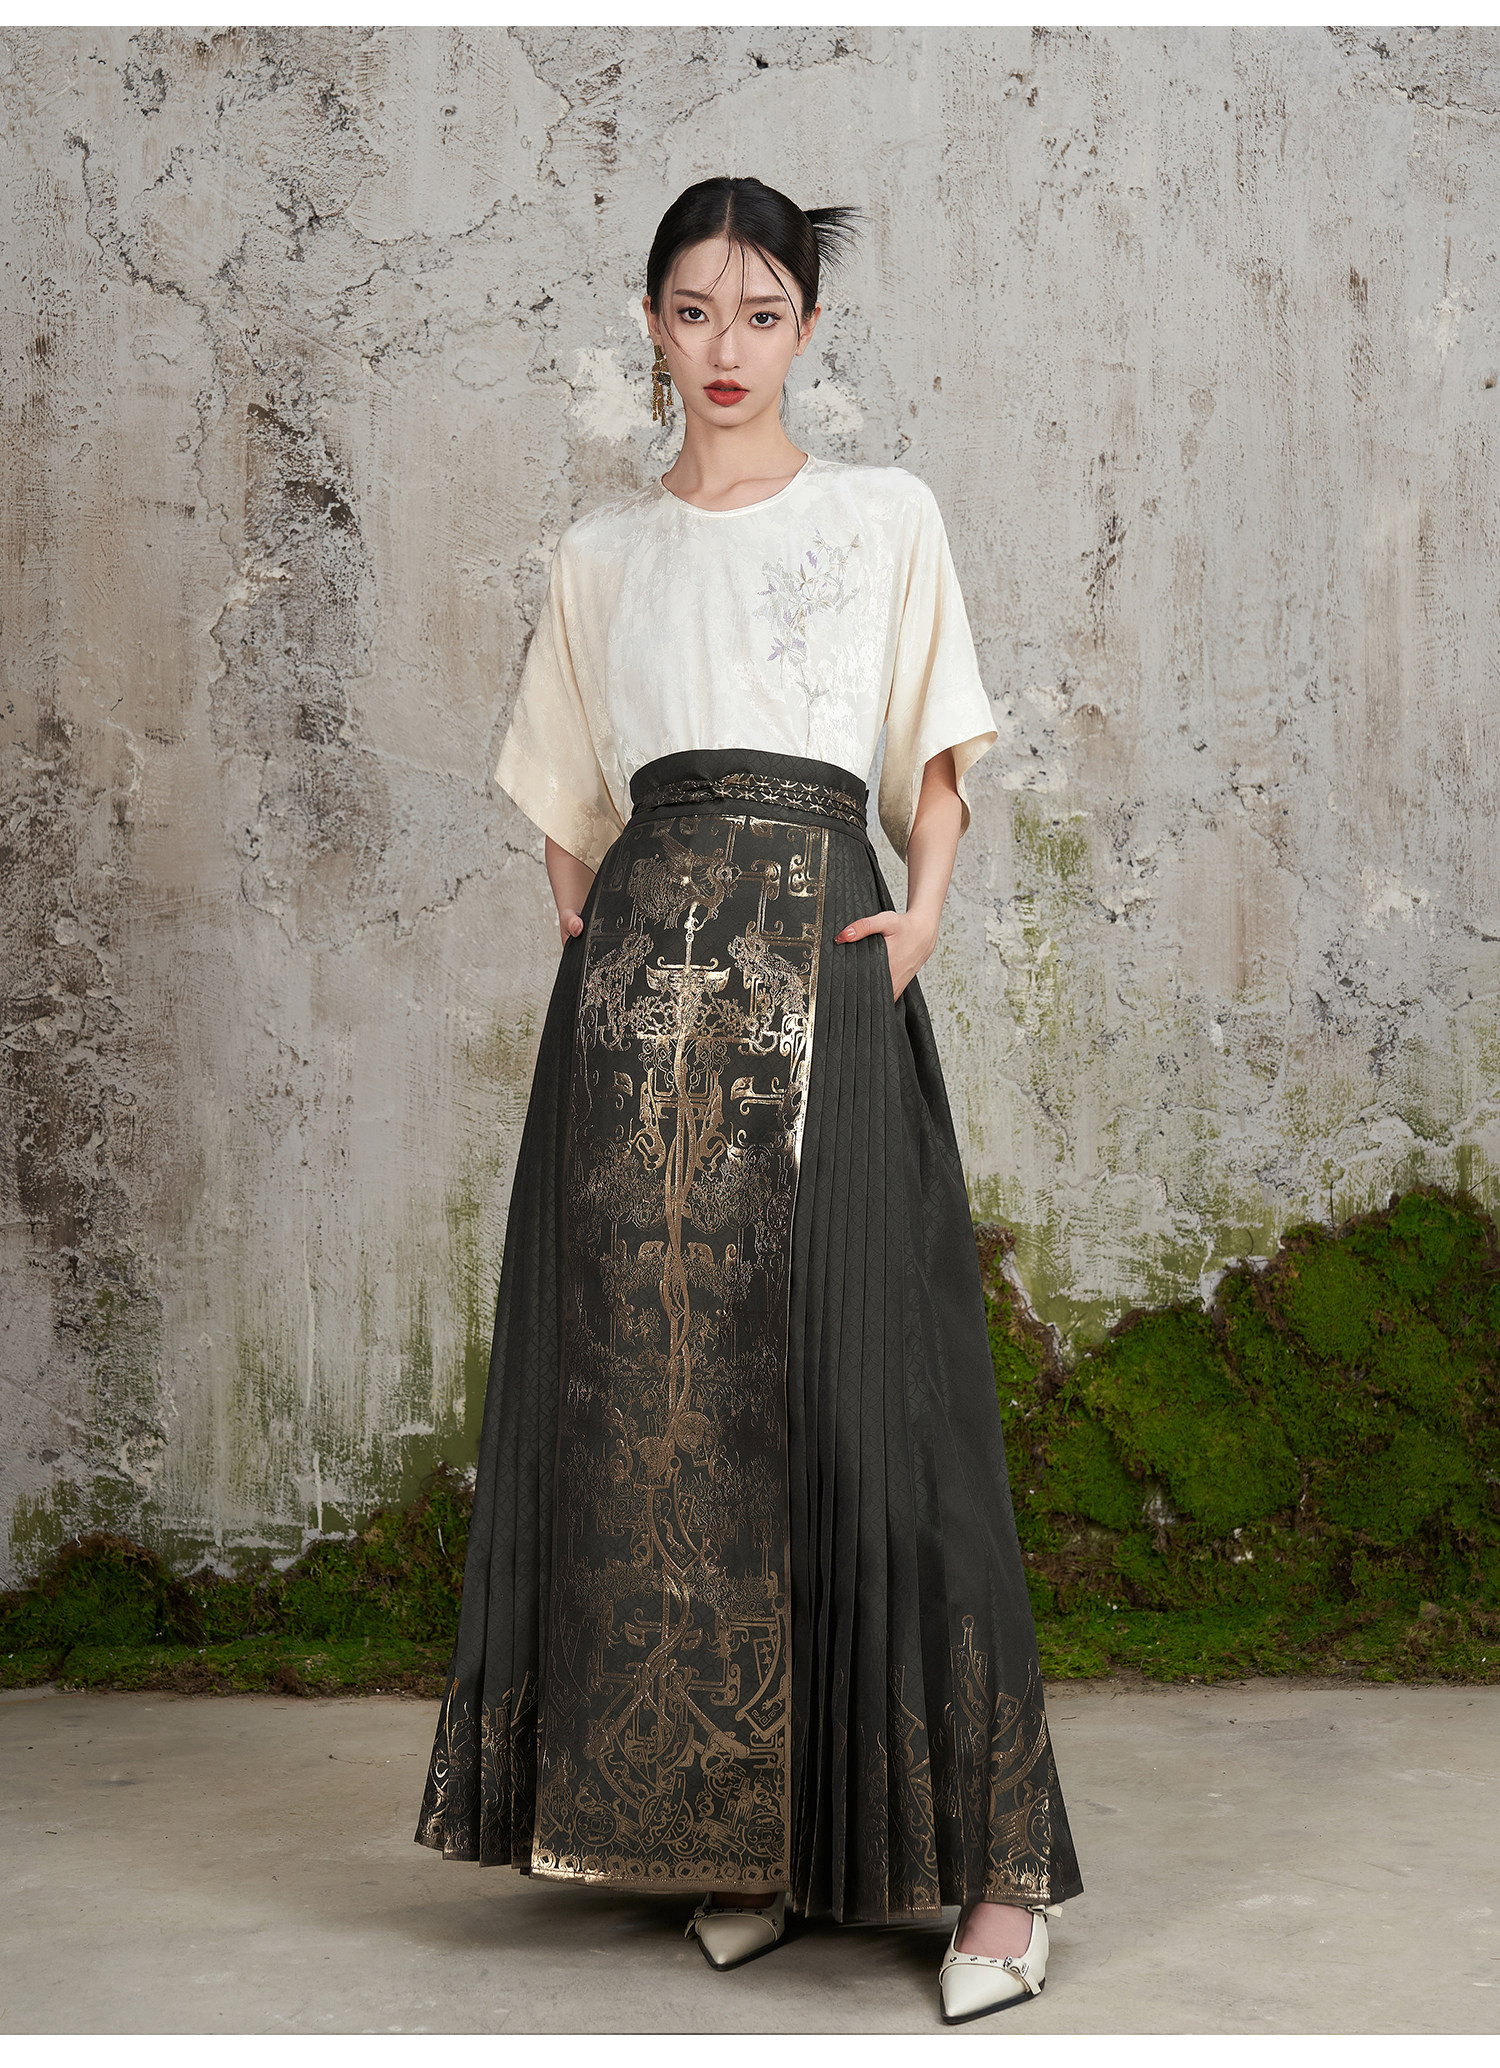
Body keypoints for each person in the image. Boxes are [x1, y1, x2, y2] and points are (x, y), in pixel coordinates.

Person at [415, 174, 1083, 2025]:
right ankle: (747, 1836)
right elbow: (568, 803)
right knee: (678, 1415)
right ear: (652, 322)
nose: (728, 348)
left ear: (808, 329)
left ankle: (1000, 1877)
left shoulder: (883, 514)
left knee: (882, 1407)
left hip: (828, 969)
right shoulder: (599, 553)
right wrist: (613, 930)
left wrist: (921, 912)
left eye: (763, 313)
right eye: (695, 311)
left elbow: (936, 735)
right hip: (640, 1028)